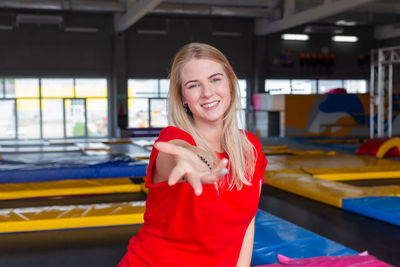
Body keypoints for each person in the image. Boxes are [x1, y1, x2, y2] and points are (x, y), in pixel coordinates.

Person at [118, 43, 267, 267]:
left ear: (230, 82)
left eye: (215, 79)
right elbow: (179, 152)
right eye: (194, 85)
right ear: (183, 97)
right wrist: (191, 159)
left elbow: (247, 224)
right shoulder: (172, 140)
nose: (207, 92)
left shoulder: (250, 148)